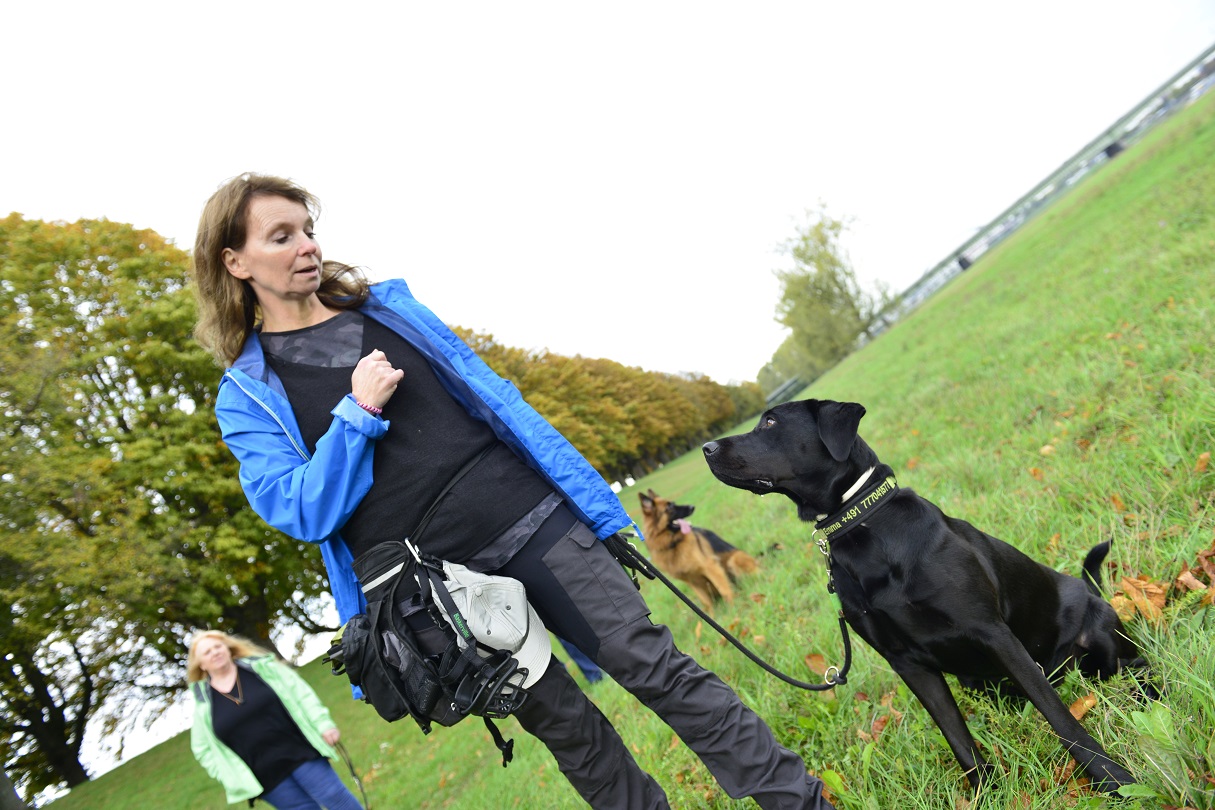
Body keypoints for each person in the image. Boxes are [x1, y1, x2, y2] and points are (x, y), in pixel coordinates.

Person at [190, 172, 836, 810]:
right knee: (571, 732)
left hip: (532, 520)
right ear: (235, 261)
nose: (306, 246)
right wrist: (356, 413)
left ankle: (799, 802)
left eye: (307, 230)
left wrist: (587, 503)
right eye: (280, 237)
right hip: (440, 595)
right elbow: (298, 507)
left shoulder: (391, 311)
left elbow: (498, 402)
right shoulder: (245, 397)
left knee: (656, 668)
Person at [187, 630, 363, 809]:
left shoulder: (264, 668)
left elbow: (302, 694)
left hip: (300, 751)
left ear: (228, 648)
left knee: (336, 798)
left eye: (218, 646)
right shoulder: (203, 702)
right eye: (207, 652)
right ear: (200, 664)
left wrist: (324, 725)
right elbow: (202, 749)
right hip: (264, 776)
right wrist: (226, 774)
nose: (215, 652)